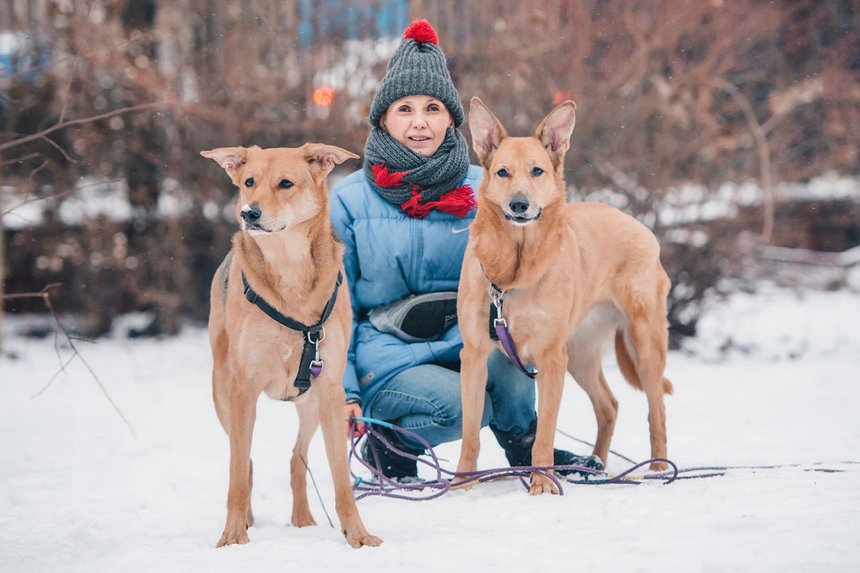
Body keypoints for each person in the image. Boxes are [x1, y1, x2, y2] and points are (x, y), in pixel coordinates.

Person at [329, 20, 602, 481]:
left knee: (513, 373)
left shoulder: (490, 185)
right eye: (405, 108)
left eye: (433, 108)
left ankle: (529, 447)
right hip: (388, 353)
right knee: (459, 407)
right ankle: (389, 445)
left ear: (452, 120)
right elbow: (335, 308)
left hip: (466, 336)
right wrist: (345, 390)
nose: (420, 121)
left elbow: (540, 238)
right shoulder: (350, 200)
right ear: (383, 119)